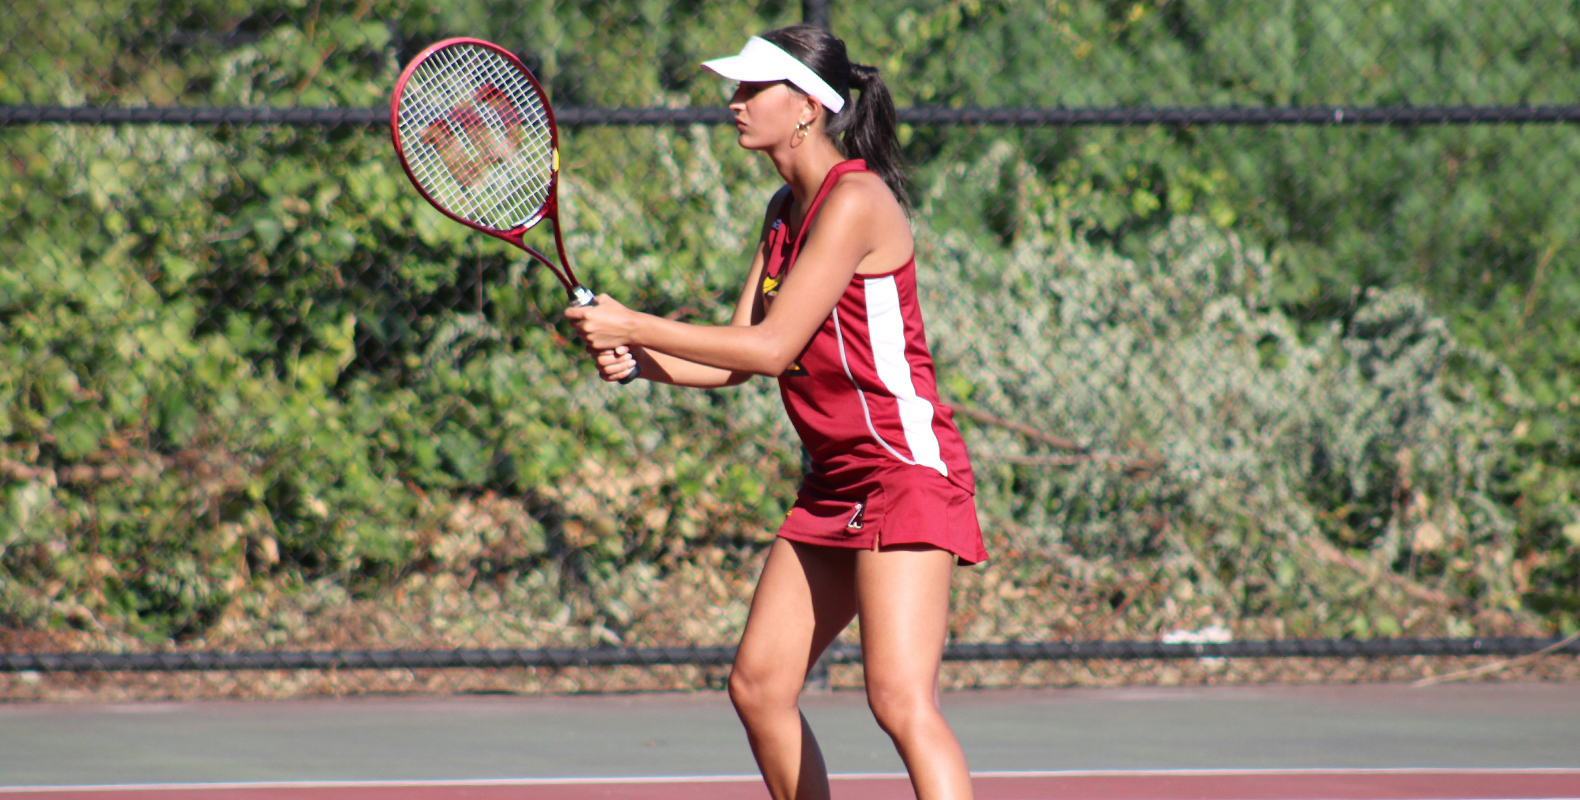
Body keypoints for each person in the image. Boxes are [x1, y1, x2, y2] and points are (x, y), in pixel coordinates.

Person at [565, 24, 983, 800]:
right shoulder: (782, 207)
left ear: (807, 108)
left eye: (754, 88)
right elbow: (740, 354)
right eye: (737, 87)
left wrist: (635, 323)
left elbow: (772, 347)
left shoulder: (855, 201)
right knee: (759, 688)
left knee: (897, 699)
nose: (735, 103)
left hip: (905, 473)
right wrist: (642, 363)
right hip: (835, 482)